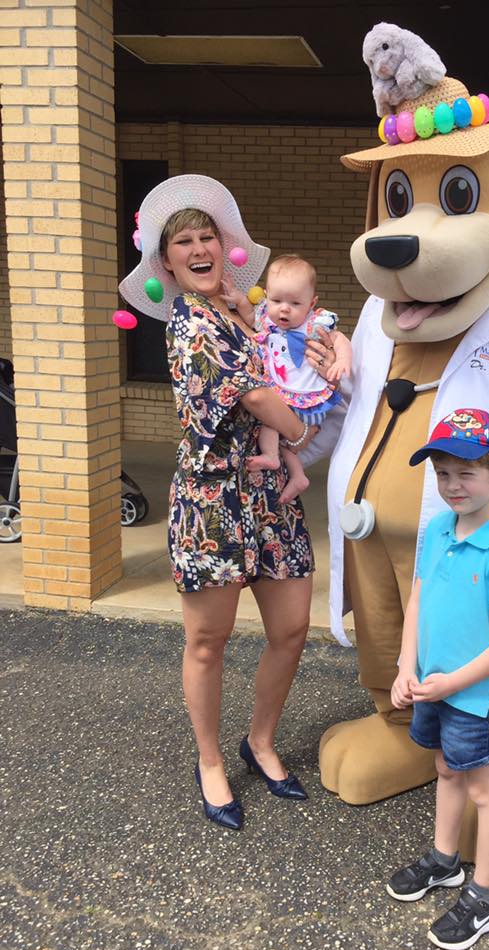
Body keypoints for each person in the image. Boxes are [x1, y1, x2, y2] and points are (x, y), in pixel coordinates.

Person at [118, 175, 339, 830]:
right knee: (208, 641)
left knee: (292, 627)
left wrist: (339, 343)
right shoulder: (189, 325)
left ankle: (261, 741)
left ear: (223, 244)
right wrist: (302, 432)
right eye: (182, 241)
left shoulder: (246, 308)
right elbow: (256, 394)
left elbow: (314, 328)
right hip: (212, 500)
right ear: (166, 262)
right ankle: (211, 760)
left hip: (271, 496)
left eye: (205, 235)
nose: (197, 247)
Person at [386, 408, 489, 950]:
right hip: (432, 686)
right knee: (445, 769)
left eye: (466, 472)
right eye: (443, 472)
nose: (452, 485)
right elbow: (419, 598)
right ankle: (445, 862)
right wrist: (407, 666)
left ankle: (485, 896)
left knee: (485, 791)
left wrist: (451, 684)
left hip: (471, 698)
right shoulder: (438, 528)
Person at [226, 254, 351, 504]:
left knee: (271, 422)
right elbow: (251, 317)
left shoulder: (313, 324)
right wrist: (239, 299)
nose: (284, 308)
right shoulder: (268, 323)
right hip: (286, 393)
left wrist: (342, 360)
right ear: (265, 295)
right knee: (282, 437)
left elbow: (339, 339)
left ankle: (274, 459)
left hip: (306, 398)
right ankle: (297, 475)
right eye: (276, 300)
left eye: (295, 303)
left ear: (311, 303)